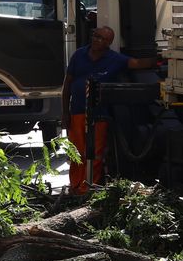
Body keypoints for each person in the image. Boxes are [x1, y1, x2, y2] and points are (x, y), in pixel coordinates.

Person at [60, 26, 156, 194]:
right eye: (96, 36)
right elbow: (67, 84)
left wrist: (163, 57)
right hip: (77, 112)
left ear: (109, 43)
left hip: (99, 115)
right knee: (76, 152)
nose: (97, 40)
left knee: (95, 153)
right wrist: (65, 112)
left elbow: (137, 64)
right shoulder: (79, 55)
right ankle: (75, 188)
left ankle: (88, 189)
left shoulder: (115, 59)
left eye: (102, 38)